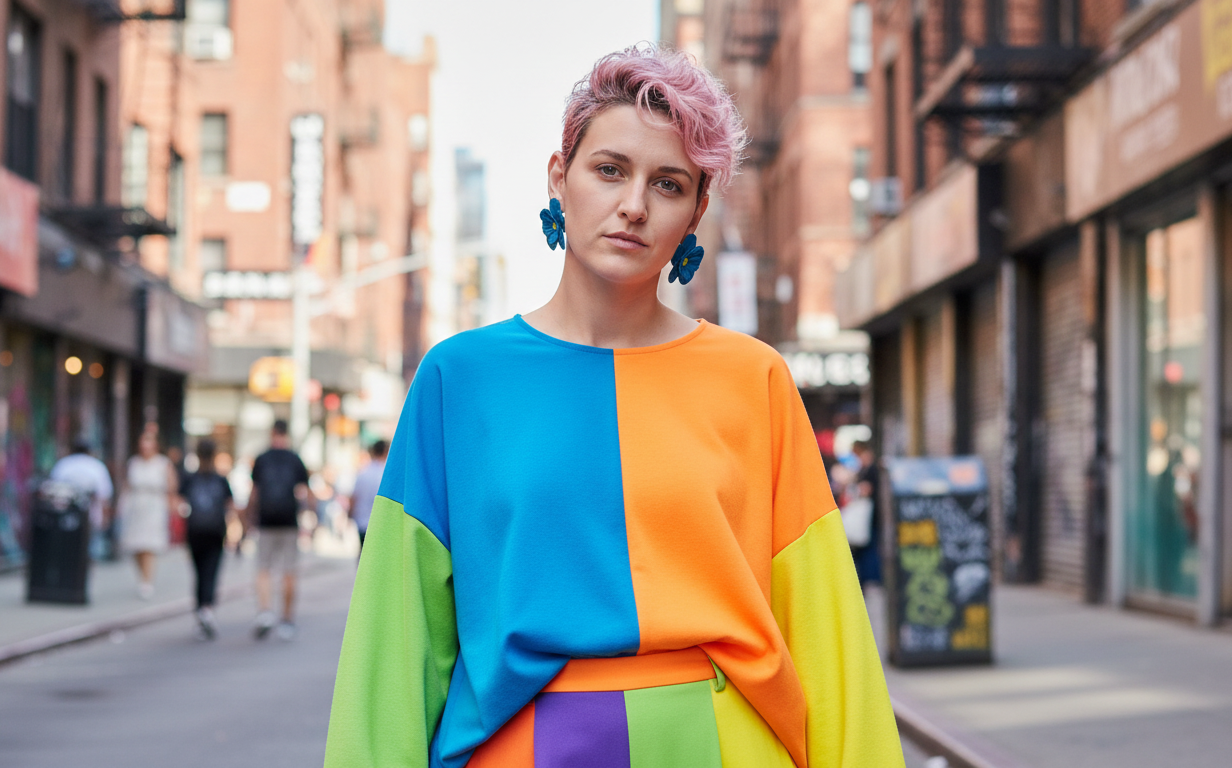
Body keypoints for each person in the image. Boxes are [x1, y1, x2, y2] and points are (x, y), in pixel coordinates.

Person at [325, 45, 904, 768]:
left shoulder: (754, 378)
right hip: (519, 747)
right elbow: (396, 636)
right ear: (559, 178)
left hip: (723, 746)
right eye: (610, 170)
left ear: (696, 211)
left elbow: (828, 629)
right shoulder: (459, 379)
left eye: (668, 184)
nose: (634, 204)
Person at [246, 419, 309, 640]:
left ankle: (265, 612)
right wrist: (310, 520)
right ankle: (287, 620)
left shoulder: (262, 459)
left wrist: (248, 518)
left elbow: (254, 492)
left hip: (266, 521)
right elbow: (304, 493)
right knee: (289, 571)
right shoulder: (295, 459)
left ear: (272, 433)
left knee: (263, 568)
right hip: (289, 522)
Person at [179, 439, 234, 640]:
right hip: (216, 531)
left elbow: (179, 503)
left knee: (199, 572)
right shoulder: (220, 479)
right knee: (211, 571)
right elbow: (230, 506)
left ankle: (201, 610)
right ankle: (207, 608)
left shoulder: (190, 478)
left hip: (195, 532)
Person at [117, 430, 177, 599]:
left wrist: (172, 509)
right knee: (135, 546)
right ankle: (141, 577)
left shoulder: (163, 463)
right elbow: (127, 486)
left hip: (154, 507)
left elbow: (171, 488)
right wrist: (122, 507)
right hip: (135, 507)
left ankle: (147, 582)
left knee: (148, 545)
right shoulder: (133, 463)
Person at [49, 441, 115, 559]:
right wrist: (105, 517)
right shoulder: (96, 466)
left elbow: (53, 489)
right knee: (89, 547)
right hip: (91, 514)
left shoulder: (63, 464)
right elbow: (104, 494)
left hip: (66, 515)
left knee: (68, 546)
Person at [851, 440, 883, 587]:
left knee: (869, 547)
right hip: (870, 515)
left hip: (870, 516)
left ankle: (871, 578)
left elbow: (866, 490)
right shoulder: (868, 468)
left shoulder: (870, 469)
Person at [348, 440, 388, 551]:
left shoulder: (363, 473)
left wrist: (349, 515)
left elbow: (354, 498)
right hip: (381, 524)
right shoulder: (385, 474)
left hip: (362, 522)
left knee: (363, 554)